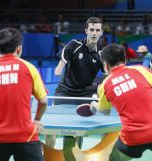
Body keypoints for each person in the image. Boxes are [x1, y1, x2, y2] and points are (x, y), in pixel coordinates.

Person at [90, 44, 152, 161]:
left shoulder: (105, 84)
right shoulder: (141, 70)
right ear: (125, 60)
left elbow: (105, 111)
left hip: (132, 136)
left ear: (106, 65)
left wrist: (94, 105)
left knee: (113, 158)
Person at [0, 27, 47, 161]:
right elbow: (43, 101)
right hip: (25, 136)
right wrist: (37, 120)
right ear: (19, 49)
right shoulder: (29, 68)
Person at [49, 17, 104, 148]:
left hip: (86, 91)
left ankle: (77, 151)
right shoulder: (74, 45)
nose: (94, 33)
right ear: (86, 30)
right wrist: (59, 68)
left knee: (79, 126)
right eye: (91, 30)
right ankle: (49, 155)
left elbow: (109, 75)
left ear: (101, 32)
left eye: (97, 30)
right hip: (65, 90)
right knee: (51, 126)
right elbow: (60, 67)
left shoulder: (102, 53)